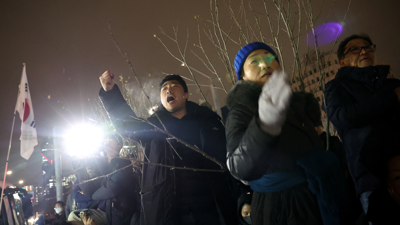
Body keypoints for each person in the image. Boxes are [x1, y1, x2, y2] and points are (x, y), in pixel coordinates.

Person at [226, 42, 345, 225]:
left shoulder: (297, 104)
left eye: (269, 58)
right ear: (242, 76)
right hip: (280, 207)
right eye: (255, 61)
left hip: (318, 194)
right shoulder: (241, 111)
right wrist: (265, 122)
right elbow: (238, 168)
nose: (264, 65)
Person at [98, 72, 237, 225]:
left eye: (174, 87)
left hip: (211, 211)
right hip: (169, 212)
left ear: (186, 95)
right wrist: (110, 94)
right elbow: (127, 123)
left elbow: (229, 159)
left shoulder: (208, 123)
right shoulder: (153, 128)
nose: (168, 90)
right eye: (164, 89)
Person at [324, 33, 400, 218]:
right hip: (371, 179)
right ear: (342, 62)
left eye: (367, 47)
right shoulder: (337, 87)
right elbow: (342, 117)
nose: (364, 51)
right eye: (355, 49)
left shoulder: (392, 84)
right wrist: (392, 98)